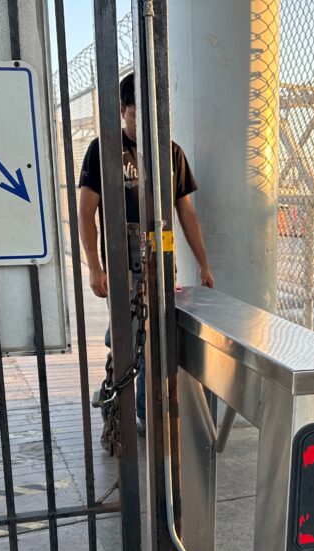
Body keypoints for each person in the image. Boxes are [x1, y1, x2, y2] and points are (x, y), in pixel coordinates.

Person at [78, 73, 214, 440]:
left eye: (156, 112)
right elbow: (86, 211)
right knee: (126, 340)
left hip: (161, 269)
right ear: (122, 110)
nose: (148, 121)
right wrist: (95, 266)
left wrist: (203, 262)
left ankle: (141, 416)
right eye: (139, 112)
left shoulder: (171, 153)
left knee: (155, 344)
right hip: (124, 269)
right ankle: (114, 406)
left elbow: (185, 213)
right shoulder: (104, 149)